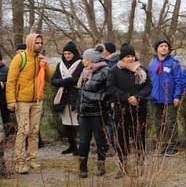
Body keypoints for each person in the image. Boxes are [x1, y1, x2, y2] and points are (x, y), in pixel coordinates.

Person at [5, 33, 53, 174]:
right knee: (23, 131)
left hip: (37, 100)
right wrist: (11, 100)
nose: (39, 45)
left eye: (41, 43)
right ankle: (19, 162)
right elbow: (11, 81)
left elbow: (48, 78)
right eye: (37, 43)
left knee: (34, 131)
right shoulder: (20, 58)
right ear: (30, 43)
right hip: (22, 101)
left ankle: (31, 158)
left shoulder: (39, 59)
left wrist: (45, 64)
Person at [108, 44, 151, 178]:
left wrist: (138, 97)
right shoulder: (114, 70)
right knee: (122, 137)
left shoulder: (142, 70)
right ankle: (123, 165)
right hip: (123, 109)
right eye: (127, 56)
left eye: (132, 56)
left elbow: (148, 86)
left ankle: (140, 162)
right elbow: (110, 87)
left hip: (139, 108)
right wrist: (126, 98)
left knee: (139, 135)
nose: (131, 59)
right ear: (122, 57)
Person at [76, 46, 110, 178]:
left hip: (97, 112)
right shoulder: (85, 72)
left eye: (85, 58)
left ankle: (101, 166)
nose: (82, 60)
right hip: (84, 112)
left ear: (91, 60)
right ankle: (82, 167)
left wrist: (96, 99)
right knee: (83, 140)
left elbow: (108, 92)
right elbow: (80, 93)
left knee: (100, 139)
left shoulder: (105, 72)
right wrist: (78, 108)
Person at [148, 39, 184, 156]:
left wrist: (177, 96)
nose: (164, 48)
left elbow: (179, 81)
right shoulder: (152, 64)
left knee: (170, 122)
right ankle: (161, 146)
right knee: (158, 123)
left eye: (166, 46)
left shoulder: (174, 63)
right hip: (155, 98)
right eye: (161, 46)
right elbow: (149, 81)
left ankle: (172, 147)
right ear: (157, 49)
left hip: (170, 98)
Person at [51, 41, 83, 155]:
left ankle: (81, 147)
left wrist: (67, 81)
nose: (67, 56)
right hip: (64, 96)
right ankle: (72, 145)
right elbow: (53, 80)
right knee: (67, 123)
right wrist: (63, 82)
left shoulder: (80, 64)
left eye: (69, 53)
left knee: (78, 123)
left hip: (76, 96)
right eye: (65, 53)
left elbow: (79, 79)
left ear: (74, 54)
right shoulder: (60, 65)